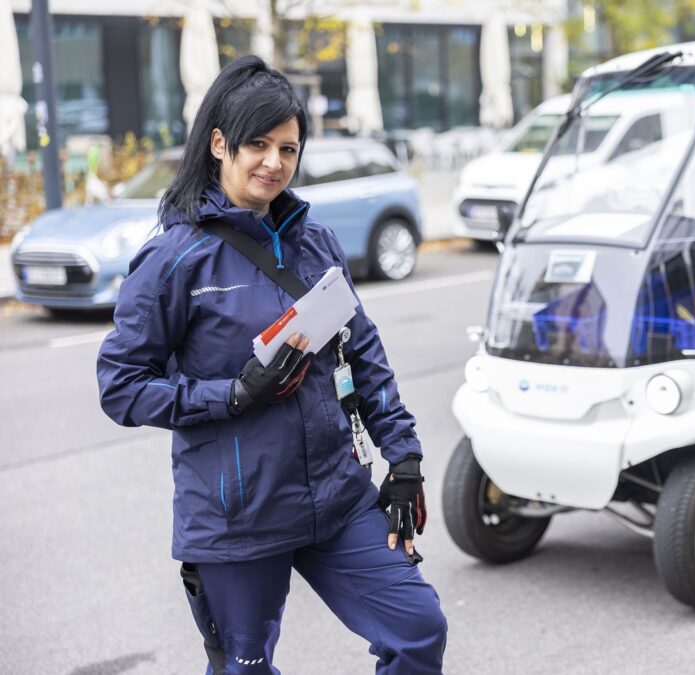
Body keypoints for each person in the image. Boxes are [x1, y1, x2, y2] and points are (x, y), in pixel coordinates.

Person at [96, 56, 447, 674]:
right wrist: (231, 395)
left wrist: (406, 457)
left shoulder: (315, 242)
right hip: (238, 520)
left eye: (288, 148)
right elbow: (121, 387)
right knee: (244, 668)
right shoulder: (174, 259)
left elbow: (362, 353)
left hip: (337, 500)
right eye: (257, 144)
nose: (274, 163)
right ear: (218, 143)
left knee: (418, 631)